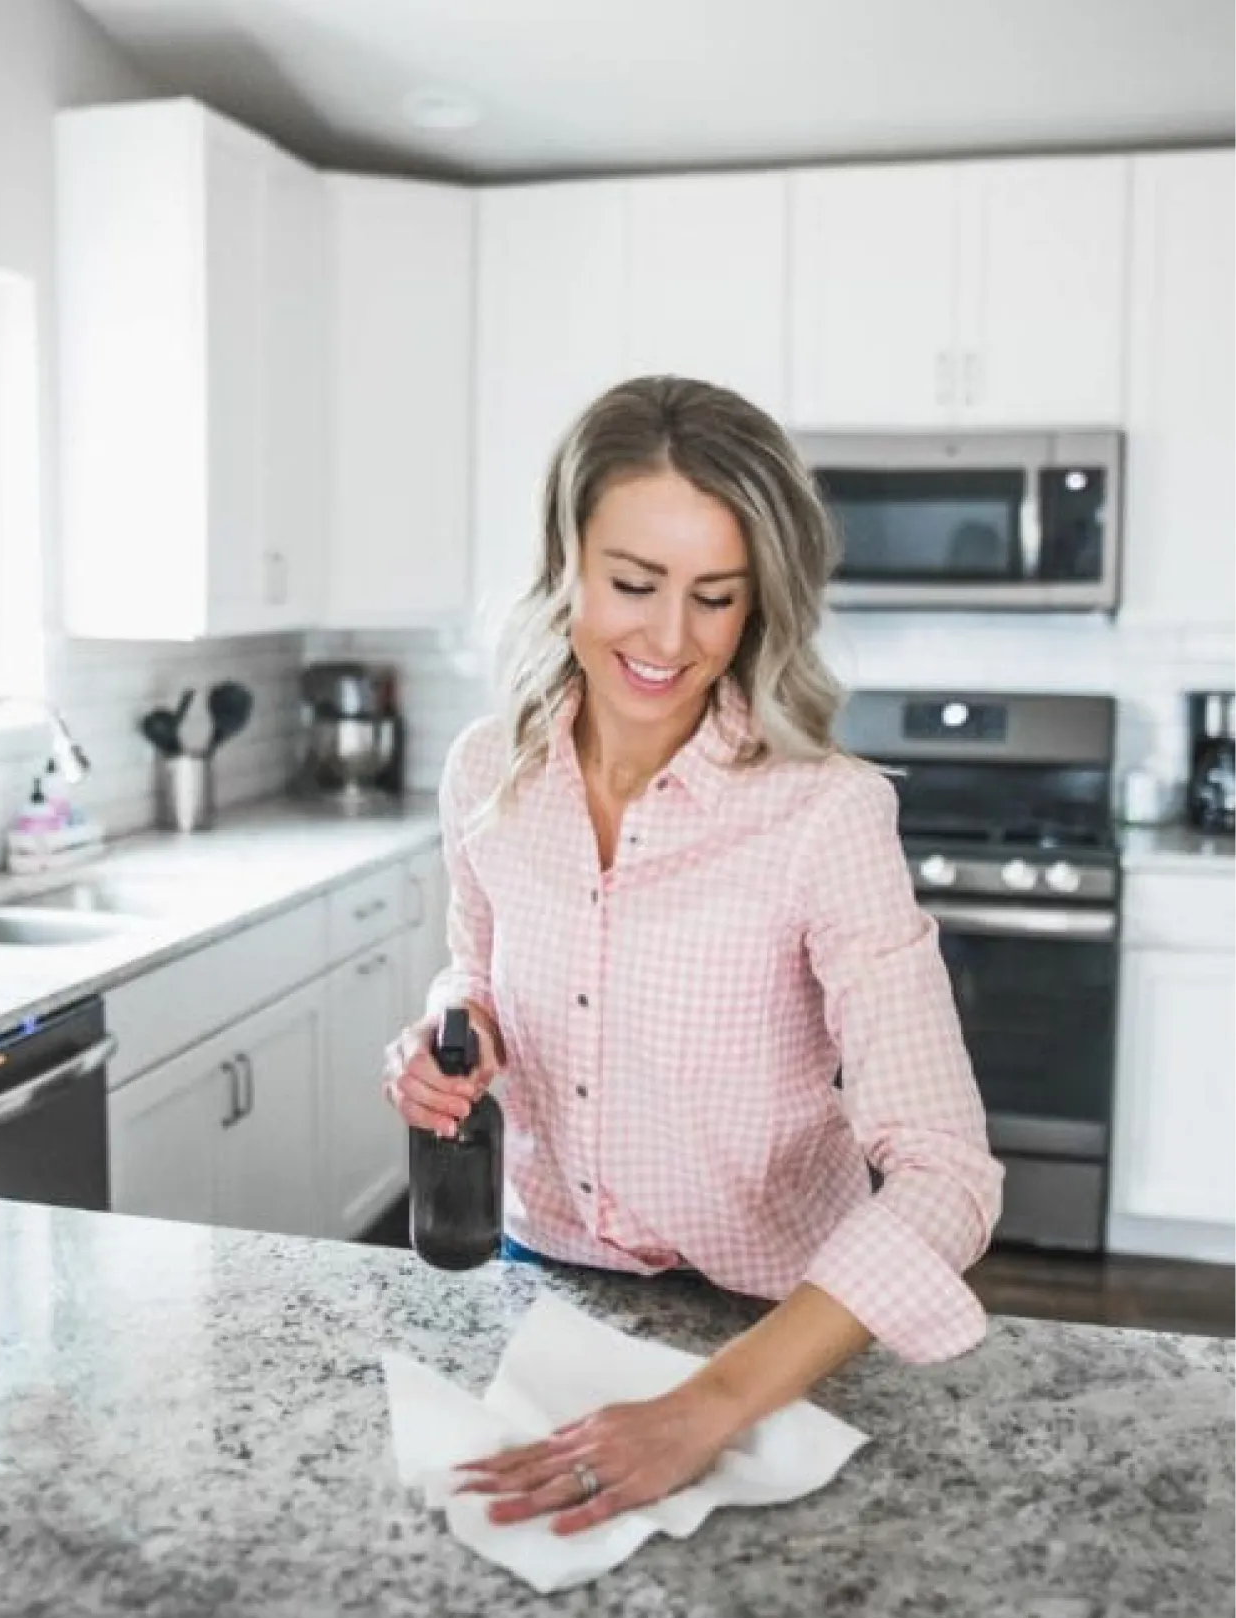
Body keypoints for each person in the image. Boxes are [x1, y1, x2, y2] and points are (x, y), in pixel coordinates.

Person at [381, 376, 1003, 1538]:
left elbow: (946, 1176)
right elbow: (472, 964)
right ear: (564, 556)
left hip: (769, 1330)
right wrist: (452, 1033)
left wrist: (703, 1405)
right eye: (631, 584)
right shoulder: (485, 771)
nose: (669, 640)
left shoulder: (824, 814)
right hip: (545, 1276)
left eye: (714, 598)